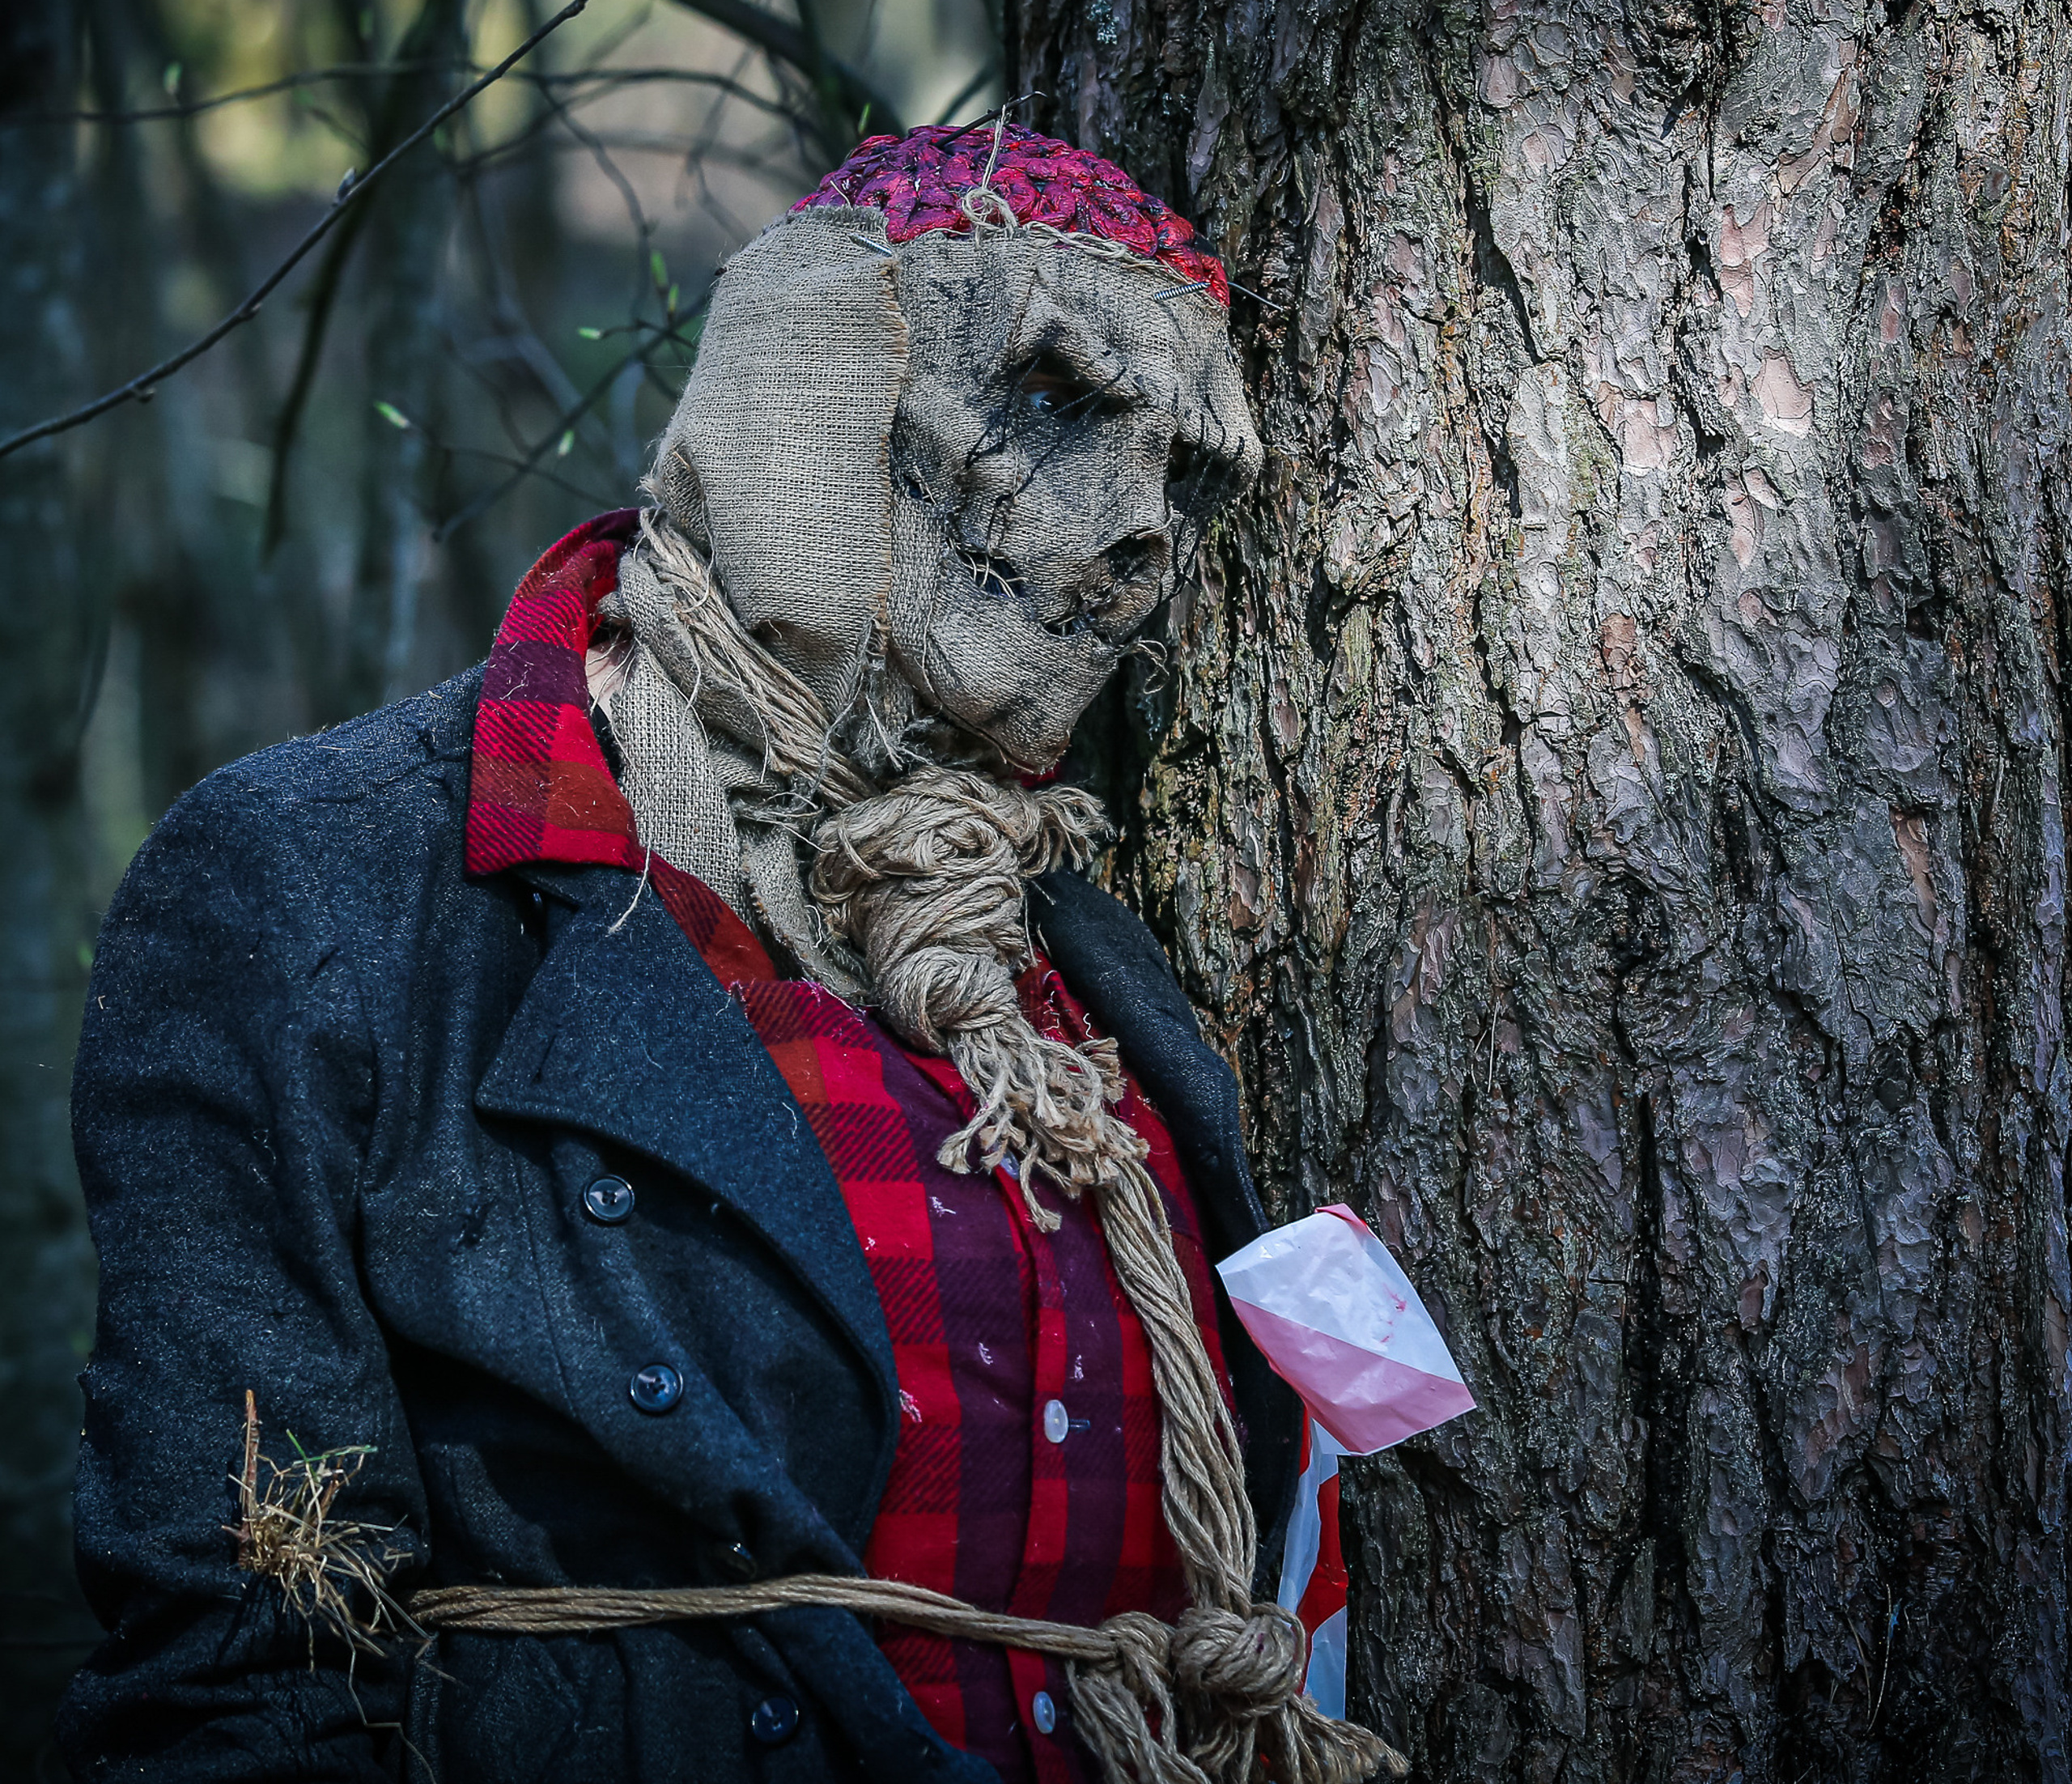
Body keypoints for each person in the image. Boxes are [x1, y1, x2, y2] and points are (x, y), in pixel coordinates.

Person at [58, 124, 1342, 1784]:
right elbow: (238, 1670)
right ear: (802, 376)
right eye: (1055, 404)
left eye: (1183, 469)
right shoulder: (325, 888)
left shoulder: (1074, 952)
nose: (1142, 533)